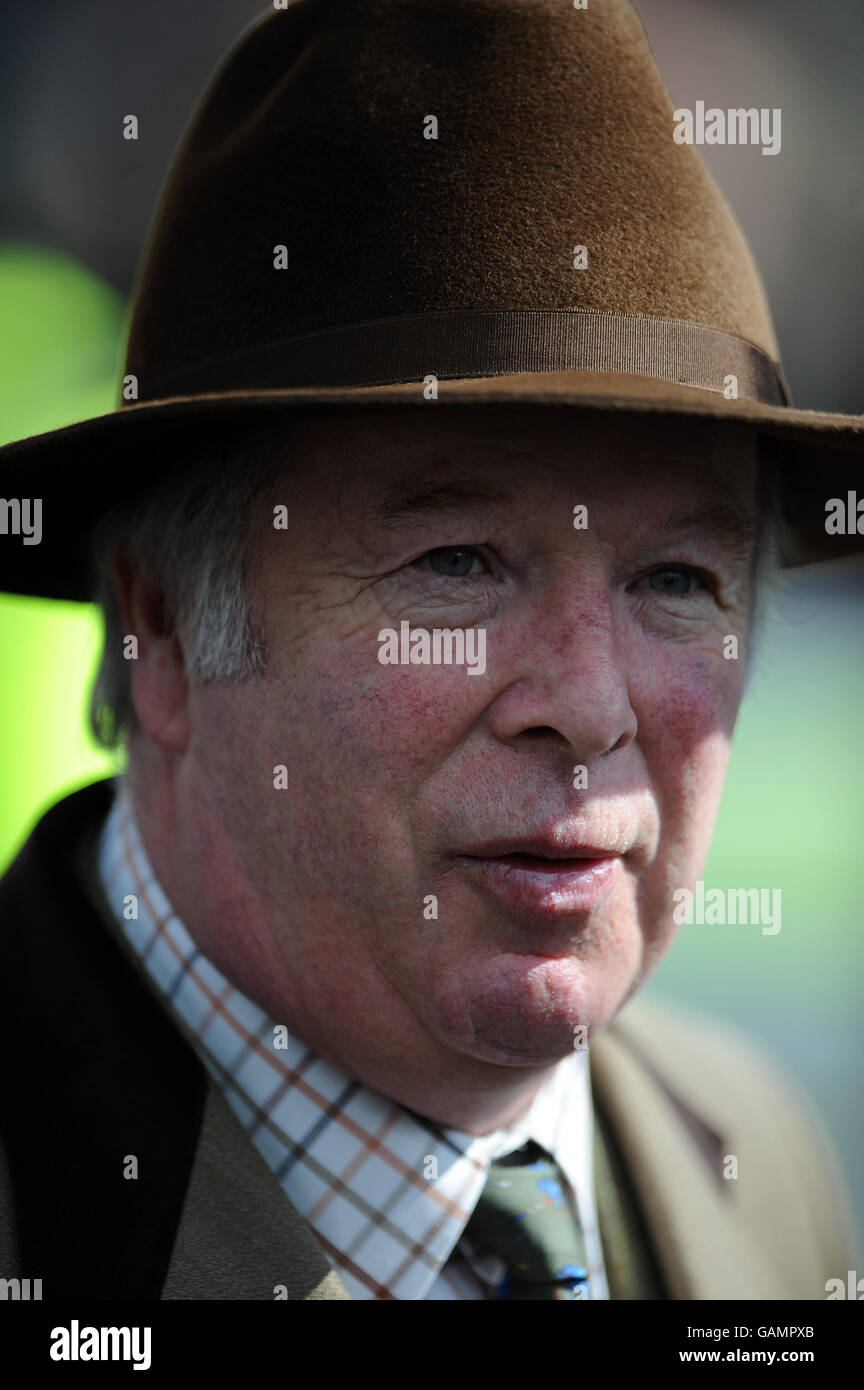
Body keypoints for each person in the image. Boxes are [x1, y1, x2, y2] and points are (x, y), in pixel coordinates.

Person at [0, 0, 860, 1301]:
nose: (586, 704)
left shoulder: (753, 1152)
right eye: (457, 563)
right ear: (161, 626)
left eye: (678, 577)